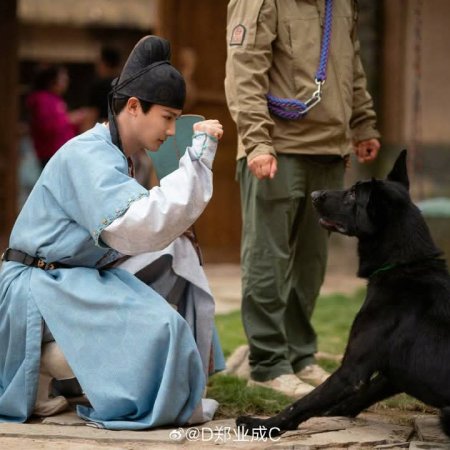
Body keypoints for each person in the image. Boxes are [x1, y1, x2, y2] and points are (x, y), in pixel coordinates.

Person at [0, 35, 225, 429]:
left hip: (65, 276)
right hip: (34, 288)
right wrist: (199, 157)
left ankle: (188, 378)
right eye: (168, 118)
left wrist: (177, 238)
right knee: (162, 329)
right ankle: (40, 367)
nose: (172, 131)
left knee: (179, 260)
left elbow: (139, 231)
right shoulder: (89, 154)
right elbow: (138, 224)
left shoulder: (116, 154)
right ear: (134, 107)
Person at [224, 0, 380, 398]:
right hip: (278, 148)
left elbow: (351, 67)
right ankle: (267, 362)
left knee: (311, 263)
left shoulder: (340, 4)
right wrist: (257, 141)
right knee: (268, 259)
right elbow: (244, 73)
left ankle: (298, 354)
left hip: (328, 150)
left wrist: (362, 123)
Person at [27, 64, 86, 168]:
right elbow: (46, 126)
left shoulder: (55, 99)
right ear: (52, 81)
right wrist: (69, 119)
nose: (66, 82)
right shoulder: (42, 99)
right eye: (63, 79)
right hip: (51, 153)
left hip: (62, 151)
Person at [85, 46, 122, 126]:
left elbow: (92, 114)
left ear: (104, 63)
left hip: (104, 129)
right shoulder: (126, 83)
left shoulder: (99, 85)